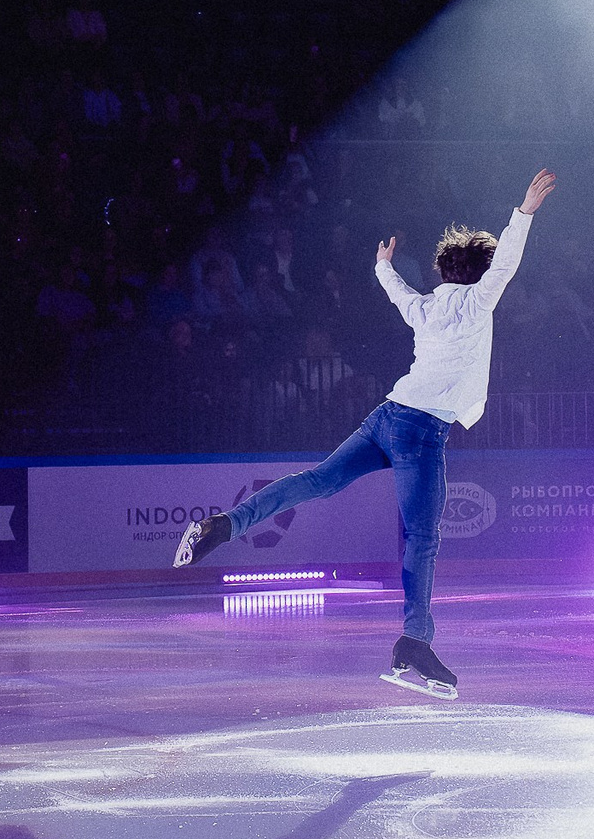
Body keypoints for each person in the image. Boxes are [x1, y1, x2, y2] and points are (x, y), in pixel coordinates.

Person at [173, 168, 558, 698]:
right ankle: (414, 642)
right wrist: (525, 212)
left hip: (387, 415)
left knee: (317, 480)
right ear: (478, 273)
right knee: (423, 537)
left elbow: (399, 291)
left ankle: (223, 525)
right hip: (422, 433)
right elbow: (508, 262)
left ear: (445, 269)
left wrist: (381, 265)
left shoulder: (425, 308)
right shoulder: (475, 303)